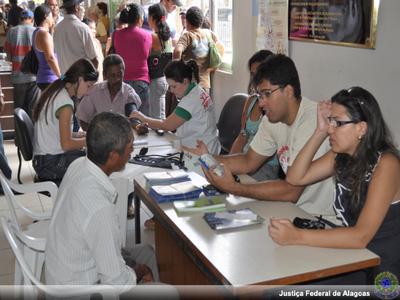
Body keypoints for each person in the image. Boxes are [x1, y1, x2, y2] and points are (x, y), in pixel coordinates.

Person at [269, 87, 400, 282]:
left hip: (383, 268)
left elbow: (360, 236)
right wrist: (319, 131)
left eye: (337, 123)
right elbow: (295, 178)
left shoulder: (387, 164)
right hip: (356, 256)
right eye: (330, 121)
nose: (331, 128)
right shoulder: (342, 154)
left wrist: (297, 236)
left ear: (361, 128)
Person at [186, 54, 334, 216]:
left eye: (267, 94)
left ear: (289, 91)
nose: (261, 103)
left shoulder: (312, 120)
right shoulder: (272, 118)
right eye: (259, 96)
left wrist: (235, 188)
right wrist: (205, 157)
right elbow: (248, 161)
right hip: (291, 210)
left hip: (318, 217)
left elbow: (292, 191)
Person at [45, 112, 159, 288]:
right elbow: (118, 282)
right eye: (130, 146)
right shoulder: (99, 208)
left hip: (65, 269)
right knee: (166, 289)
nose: (132, 151)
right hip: (83, 289)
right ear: (113, 156)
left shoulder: (78, 165)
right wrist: (140, 271)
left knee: (148, 253)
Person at [131, 60, 220, 155]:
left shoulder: (190, 101)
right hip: (208, 145)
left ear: (185, 81)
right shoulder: (197, 90)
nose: (171, 90)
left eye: (174, 86)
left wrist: (142, 117)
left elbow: (167, 125)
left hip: (201, 153)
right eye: (170, 86)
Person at [32, 59, 98, 183]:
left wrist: (78, 135)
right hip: (49, 164)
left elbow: (54, 130)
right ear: (79, 79)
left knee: (88, 158)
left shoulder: (57, 91)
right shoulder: (65, 104)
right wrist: (91, 141)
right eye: (88, 86)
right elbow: (66, 144)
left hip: (42, 160)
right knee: (96, 164)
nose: (88, 92)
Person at [230, 50, 280, 181]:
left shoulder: (275, 107)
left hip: (265, 165)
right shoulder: (251, 101)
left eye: (258, 73)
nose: (254, 78)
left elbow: (258, 159)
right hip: (245, 160)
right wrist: (229, 162)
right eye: (252, 74)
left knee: (234, 186)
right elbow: (242, 135)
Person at [77, 54, 141, 131]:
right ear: (105, 75)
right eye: (112, 75)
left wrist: (138, 127)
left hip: (122, 139)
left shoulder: (129, 93)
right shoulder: (94, 91)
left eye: (119, 74)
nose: (117, 79)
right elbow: (83, 119)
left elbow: (133, 117)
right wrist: (96, 134)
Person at [173, 6, 223, 92]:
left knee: (186, 105)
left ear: (187, 21)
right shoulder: (209, 33)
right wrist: (213, 66)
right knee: (202, 106)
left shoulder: (187, 35)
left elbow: (177, 51)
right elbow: (221, 46)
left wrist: (176, 71)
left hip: (189, 85)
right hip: (205, 85)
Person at [114, 3, 152, 115]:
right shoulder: (147, 35)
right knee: (142, 118)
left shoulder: (116, 34)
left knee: (124, 118)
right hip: (141, 80)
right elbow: (147, 55)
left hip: (122, 80)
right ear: (139, 18)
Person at [4, 9, 39, 117]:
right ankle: (32, 134)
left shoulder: (12, 31)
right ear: (32, 19)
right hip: (34, 77)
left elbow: (9, 57)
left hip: (18, 78)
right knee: (33, 111)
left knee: (19, 112)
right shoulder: (36, 31)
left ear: (20, 19)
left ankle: (20, 134)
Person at [53, 0, 98, 74]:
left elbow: (57, 56)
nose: (83, 9)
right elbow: (94, 59)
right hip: (82, 80)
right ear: (76, 7)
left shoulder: (57, 29)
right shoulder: (83, 28)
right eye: (82, 5)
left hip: (66, 80)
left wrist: (62, 78)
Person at [147, 3, 172, 119]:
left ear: (152, 18)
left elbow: (147, 55)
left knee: (155, 116)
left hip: (156, 79)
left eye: (148, 16)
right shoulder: (168, 36)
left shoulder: (154, 37)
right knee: (161, 114)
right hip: (165, 78)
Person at [32, 5, 60, 91]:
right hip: (50, 78)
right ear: (46, 17)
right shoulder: (43, 34)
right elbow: (50, 58)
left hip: (45, 77)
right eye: (51, 16)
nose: (53, 19)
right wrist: (61, 76)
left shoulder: (37, 32)